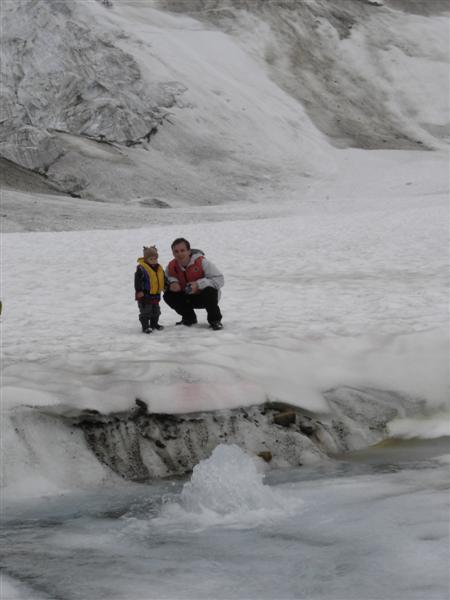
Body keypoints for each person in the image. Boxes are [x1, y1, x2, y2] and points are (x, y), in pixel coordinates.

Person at [164, 238, 224, 330]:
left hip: (206, 298)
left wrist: (198, 284)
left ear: (189, 251)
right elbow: (164, 280)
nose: (179, 254)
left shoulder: (202, 262)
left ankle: (215, 321)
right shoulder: (171, 266)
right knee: (168, 295)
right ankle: (189, 318)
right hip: (187, 298)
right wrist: (171, 283)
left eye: (182, 250)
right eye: (176, 251)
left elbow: (220, 279)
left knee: (209, 290)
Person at [134, 245, 165, 333]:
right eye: (151, 259)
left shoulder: (159, 268)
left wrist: (165, 286)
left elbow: (163, 278)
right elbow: (137, 281)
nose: (154, 261)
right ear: (146, 259)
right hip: (145, 295)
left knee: (156, 311)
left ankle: (154, 324)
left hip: (156, 295)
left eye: (155, 258)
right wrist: (139, 291)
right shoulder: (141, 269)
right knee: (146, 312)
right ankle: (145, 327)